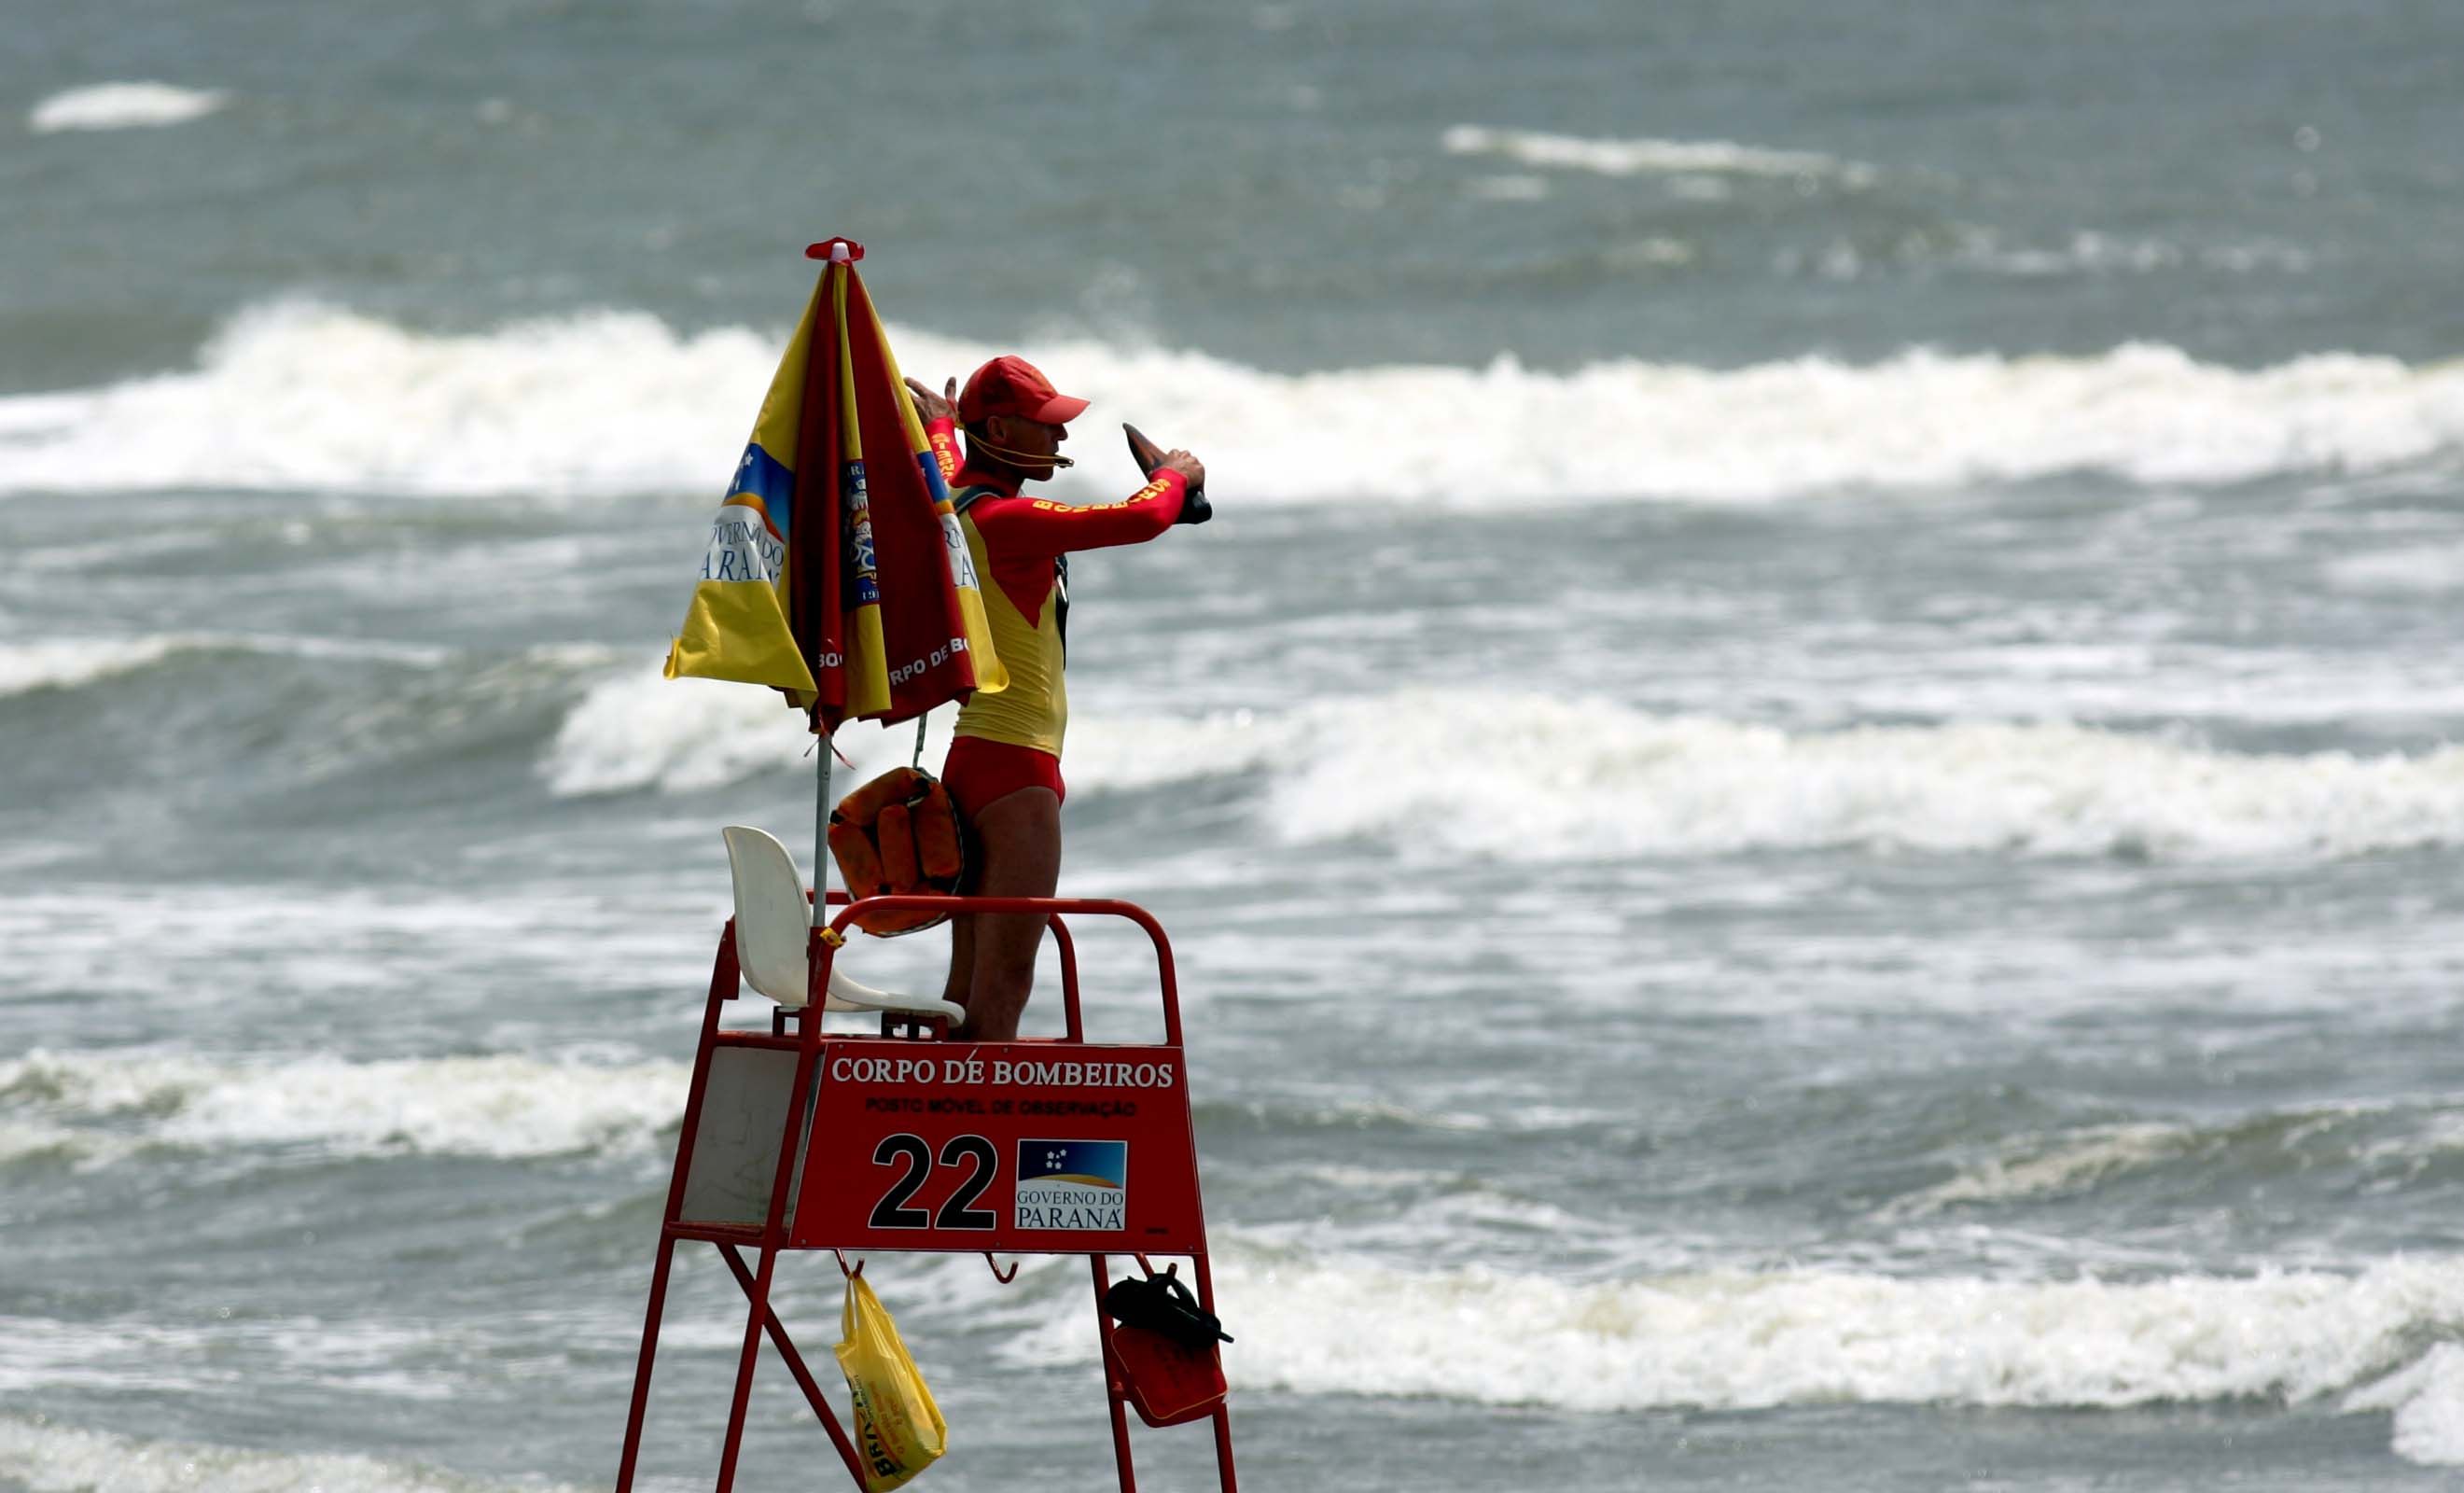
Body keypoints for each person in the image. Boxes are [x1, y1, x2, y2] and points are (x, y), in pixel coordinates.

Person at [903, 356, 1205, 1041]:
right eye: (1046, 428)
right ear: (1003, 428)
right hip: (1016, 772)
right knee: (1003, 984)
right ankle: (967, 1126)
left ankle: (940, 1114)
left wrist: (946, 428)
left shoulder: (957, 502)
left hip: (974, 761)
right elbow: (1142, 518)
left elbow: (956, 463)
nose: (1060, 442)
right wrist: (1175, 476)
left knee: (968, 982)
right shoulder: (1009, 521)